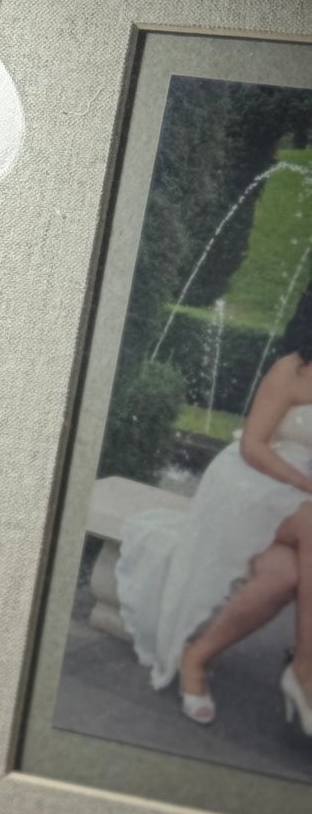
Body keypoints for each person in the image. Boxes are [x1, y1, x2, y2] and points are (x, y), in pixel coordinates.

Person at [115, 297, 312, 731]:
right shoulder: (292, 370)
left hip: (295, 504)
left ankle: (195, 658)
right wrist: (305, 485)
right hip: (252, 480)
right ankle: (305, 671)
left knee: (282, 577)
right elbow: (253, 446)